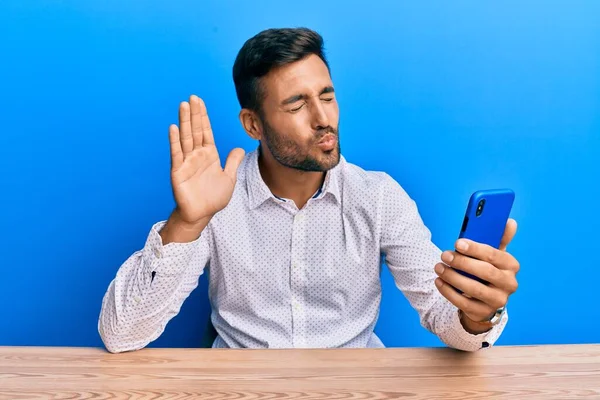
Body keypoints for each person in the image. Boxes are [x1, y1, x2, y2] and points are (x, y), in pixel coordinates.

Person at [98, 27, 520, 353]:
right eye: (297, 105)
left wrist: (476, 316)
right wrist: (187, 222)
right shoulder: (217, 200)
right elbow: (120, 335)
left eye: (327, 96)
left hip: (353, 389)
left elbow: (447, 320)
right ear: (252, 125)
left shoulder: (378, 196)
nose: (323, 118)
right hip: (243, 390)